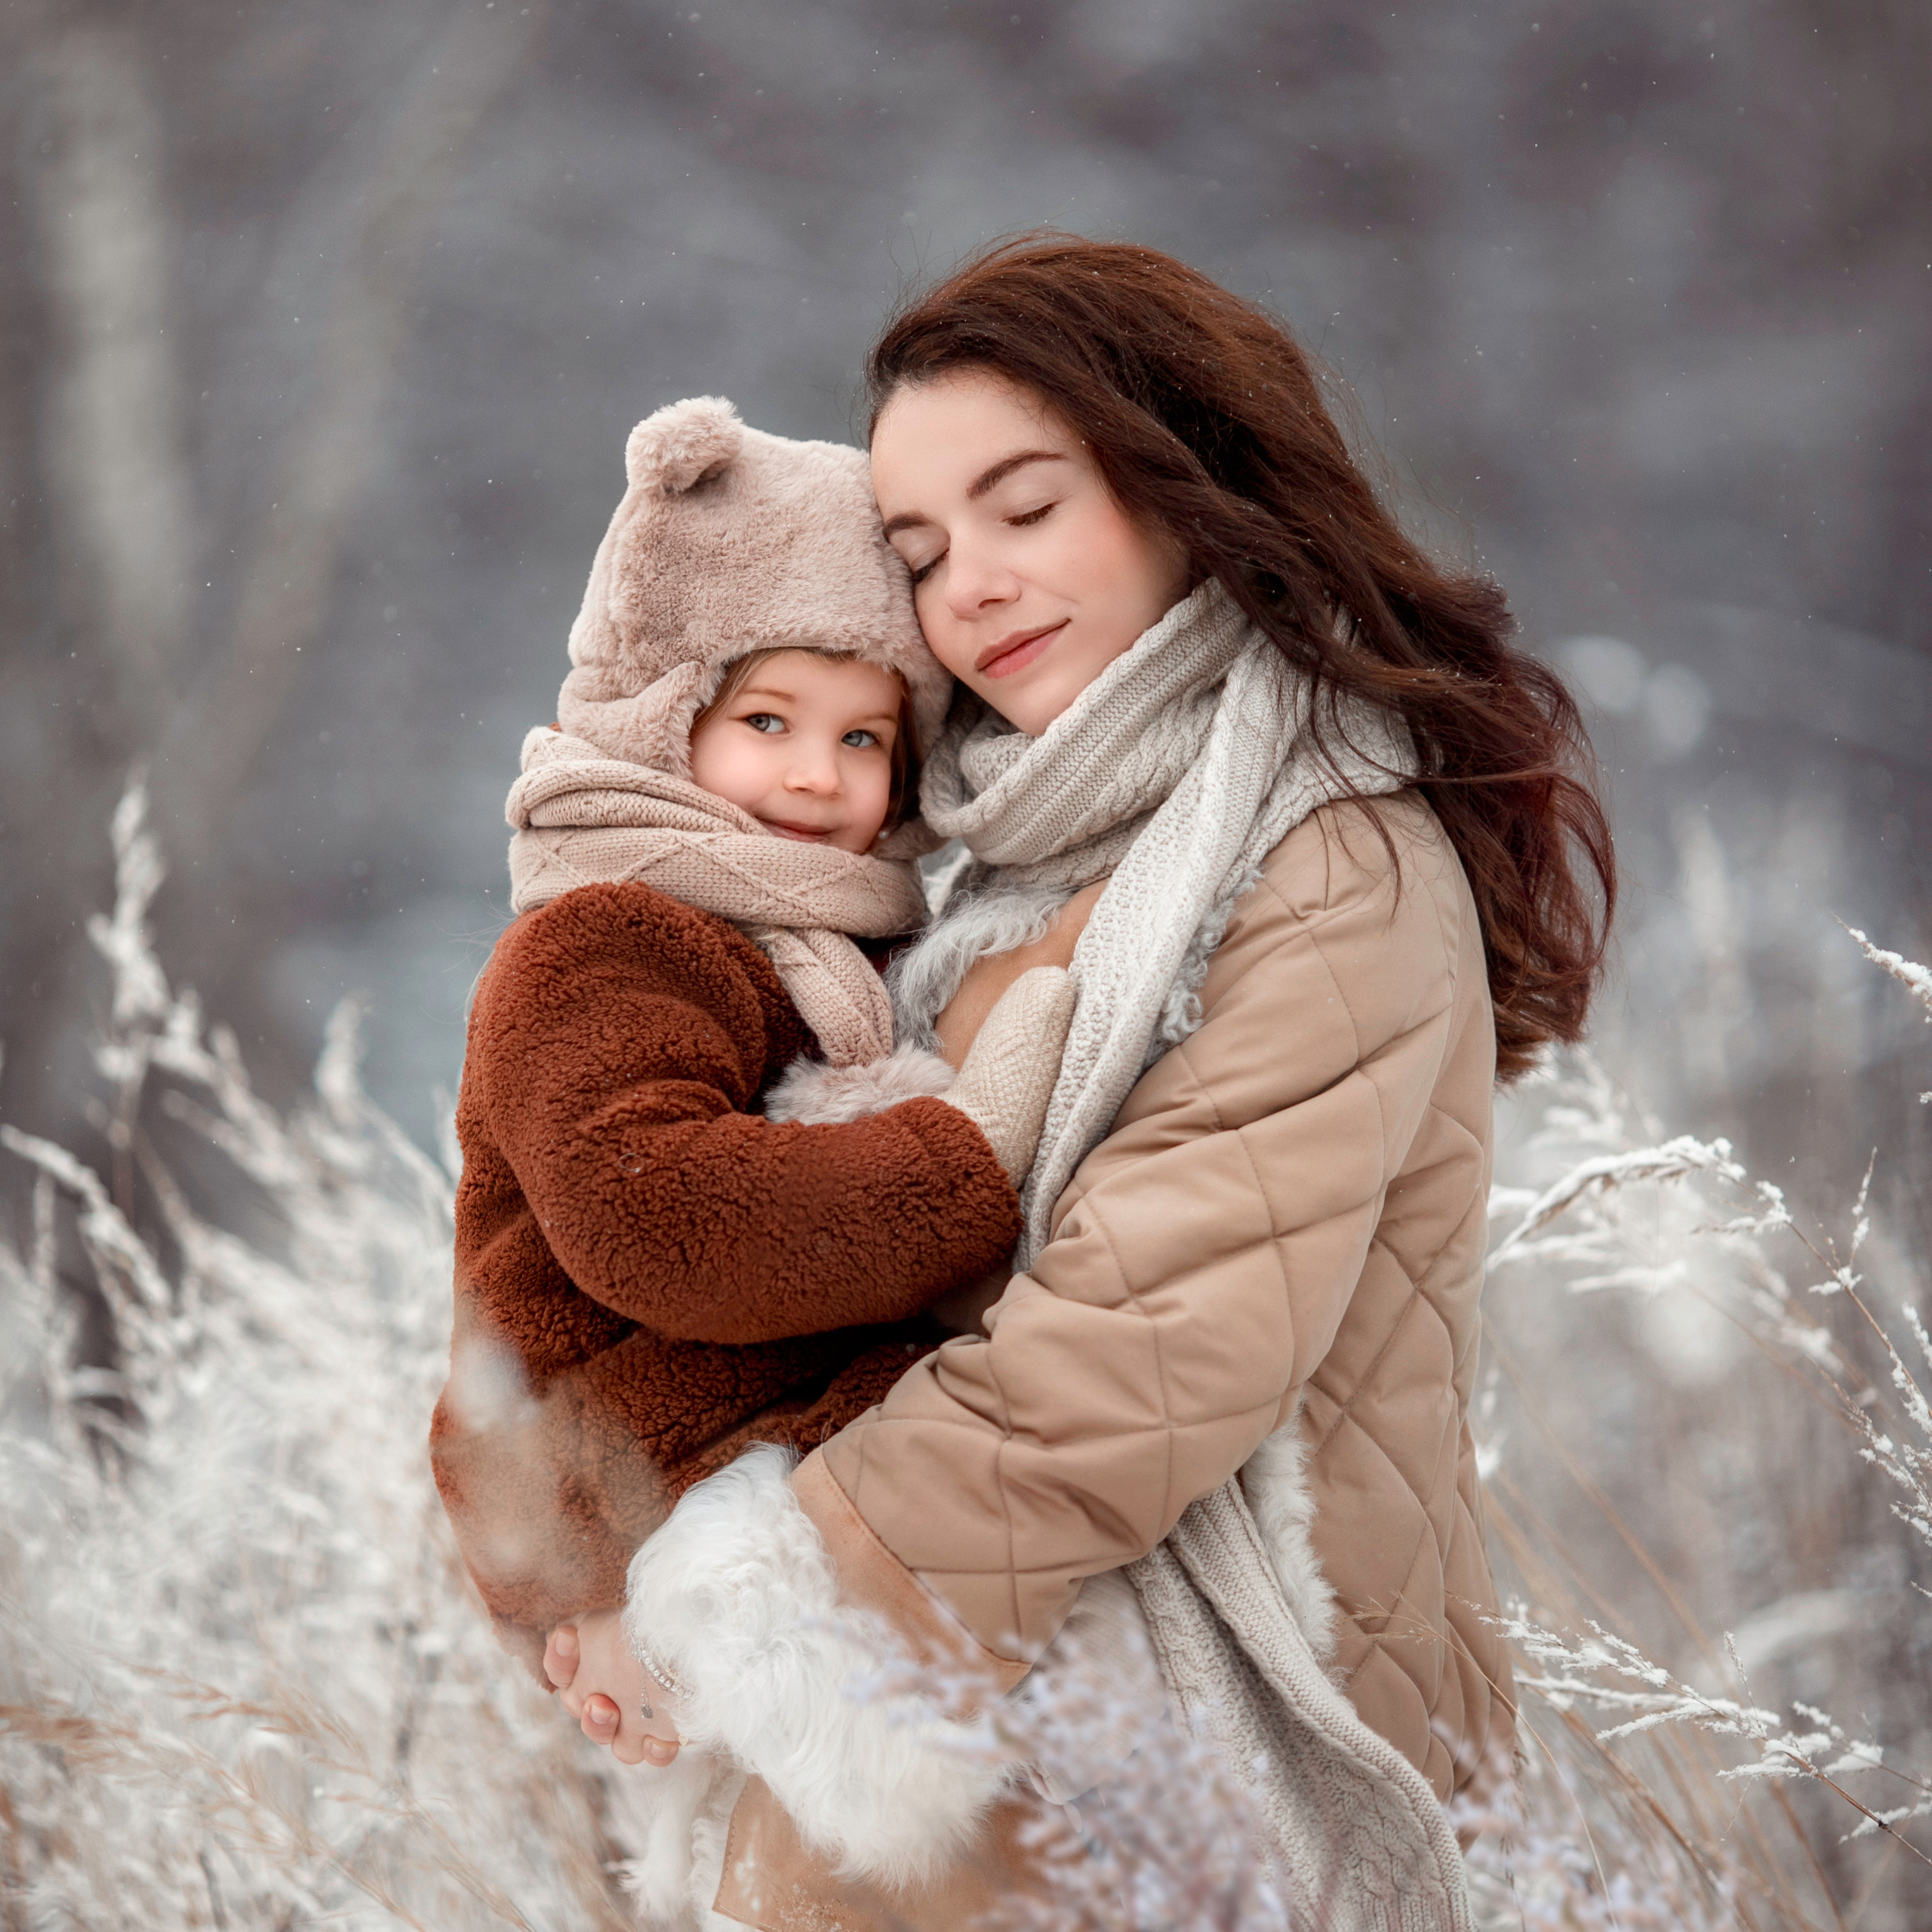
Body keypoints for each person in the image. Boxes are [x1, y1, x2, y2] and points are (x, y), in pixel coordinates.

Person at [576, 238, 1617, 1930]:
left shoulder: (1325, 850)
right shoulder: (984, 860)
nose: (968, 582)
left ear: (1181, 480)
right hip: (971, 1739)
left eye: (1023, 505)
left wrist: (732, 1593)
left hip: (1188, 1782)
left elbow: (1139, 1354)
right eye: (915, 550)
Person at [428, 395, 1075, 1767]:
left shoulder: (817, 942)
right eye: (768, 718)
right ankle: (649, 1633)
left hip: (680, 1437)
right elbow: (655, 1212)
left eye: (862, 739)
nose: (813, 776)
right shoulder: (608, 932)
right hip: (594, 1447)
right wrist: (962, 1161)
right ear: (667, 722)